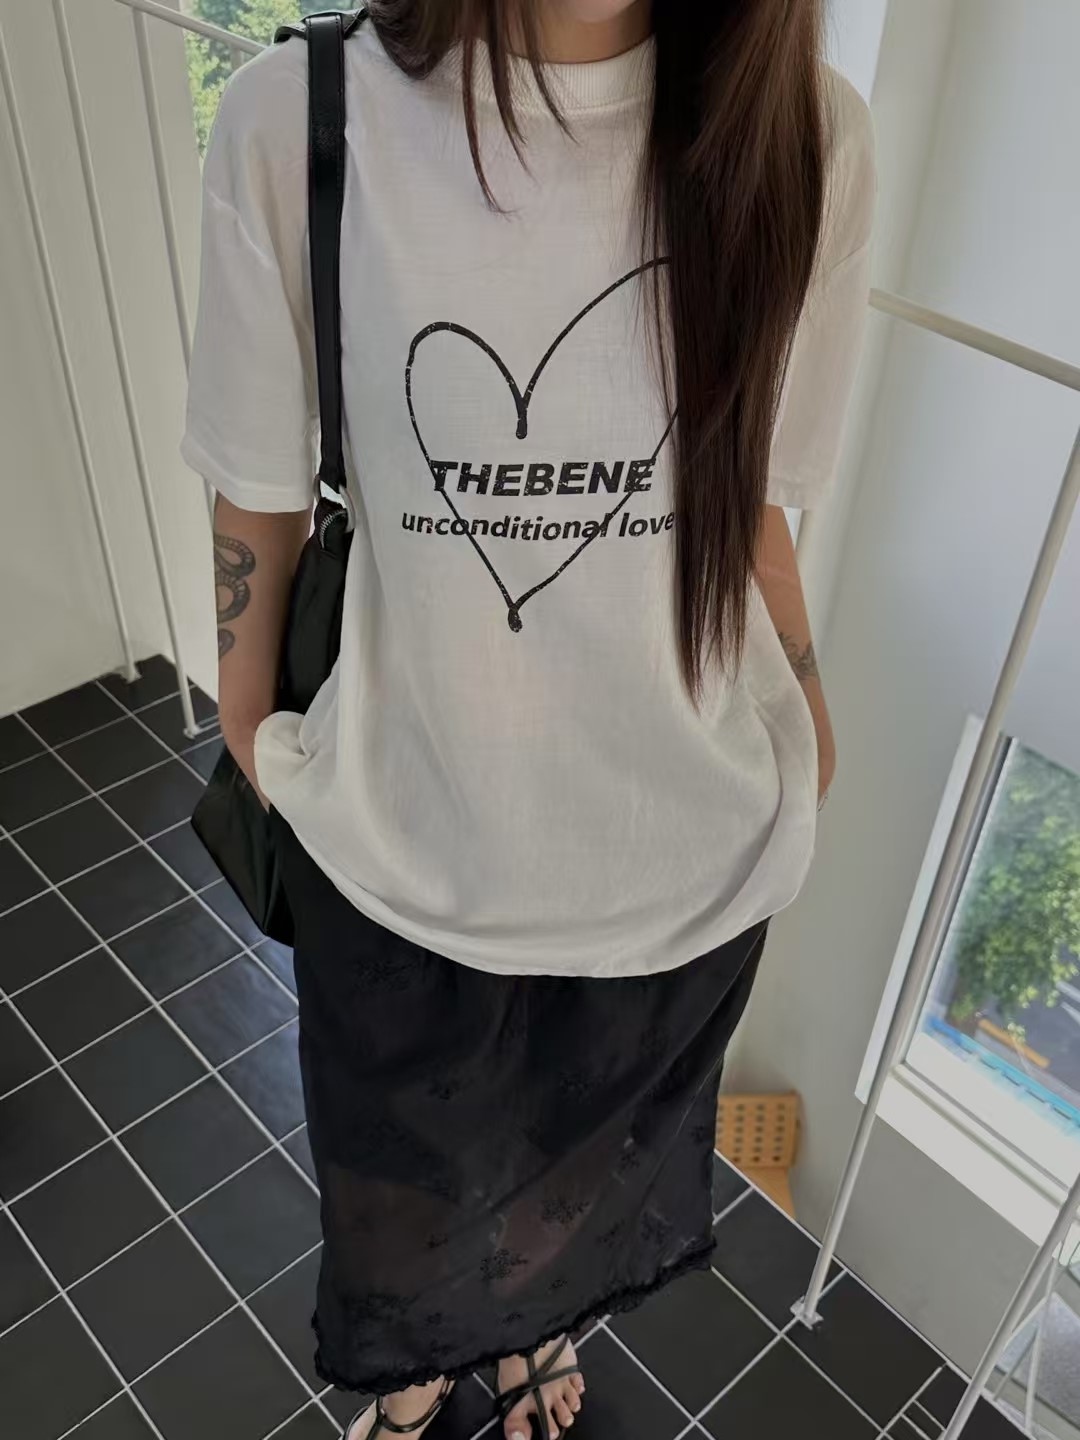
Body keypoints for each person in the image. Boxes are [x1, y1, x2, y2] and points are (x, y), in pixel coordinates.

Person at [182, 1, 874, 1436]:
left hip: (680, 860)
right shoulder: (298, 120)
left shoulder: (809, 141)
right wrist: (252, 732)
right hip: (402, 843)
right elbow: (257, 488)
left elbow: (754, 508)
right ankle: (421, 1369)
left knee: (576, 1180)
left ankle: (533, 1338)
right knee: (398, 1189)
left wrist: (806, 721)